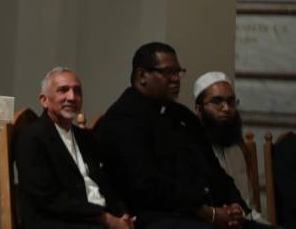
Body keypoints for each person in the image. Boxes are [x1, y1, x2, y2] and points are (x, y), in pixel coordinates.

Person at [96, 42, 274, 229]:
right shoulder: (122, 119)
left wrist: (236, 208)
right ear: (142, 76)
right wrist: (207, 212)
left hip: (202, 212)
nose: (176, 79)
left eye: (178, 72)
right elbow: (145, 186)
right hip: (156, 217)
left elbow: (215, 170)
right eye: (168, 73)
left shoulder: (182, 115)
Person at [14, 67, 134, 229]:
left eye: (77, 91)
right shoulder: (31, 138)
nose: (72, 97)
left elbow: (104, 183)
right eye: (63, 90)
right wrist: (105, 218)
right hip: (55, 221)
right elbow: (48, 199)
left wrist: (121, 214)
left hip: (93, 217)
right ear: (44, 100)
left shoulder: (85, 138)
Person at [193, 71, 268, 224]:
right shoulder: (192, 150)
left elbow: (248, 208)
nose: (226, 108)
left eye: (231, 101)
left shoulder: (238, 148)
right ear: (199, 109)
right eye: (217, 101)